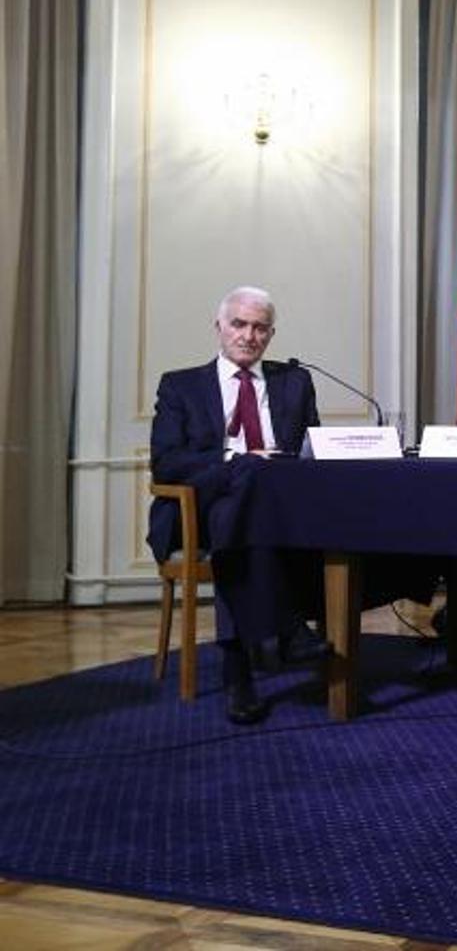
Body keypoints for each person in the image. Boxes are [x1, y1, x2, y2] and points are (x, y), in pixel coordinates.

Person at [148, 287, 323, 725]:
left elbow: (311, 451)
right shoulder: (181, 385)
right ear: (219, 327)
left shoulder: (295, 382)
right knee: (237, 502)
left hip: (280, 508)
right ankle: (281, 634)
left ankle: (239, 666)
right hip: (201, 510)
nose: (249, 335)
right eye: (239, 324)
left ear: (271, 334)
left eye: (260, 328)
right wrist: (237, 460)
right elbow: (166, 461)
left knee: (244, 518)